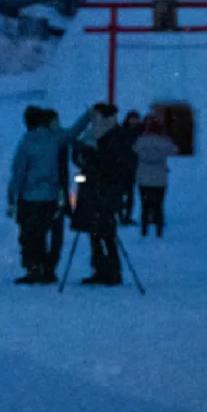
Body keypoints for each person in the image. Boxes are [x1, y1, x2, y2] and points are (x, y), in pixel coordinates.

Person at [8, 104, 92, 284]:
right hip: (51, 195)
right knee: (51, 233)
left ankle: (34, 268)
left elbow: (18, 173)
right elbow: (73, 133)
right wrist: (87, 116)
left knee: (31, 235)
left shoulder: (26, 143)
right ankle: (47, 268)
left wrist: (13, 198)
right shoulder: (54, 139)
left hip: (30, 196)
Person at [70, 104, 125, 285]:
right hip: (91, 190)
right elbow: (79, 156)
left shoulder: (115, 136)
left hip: (105, 191)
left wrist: (91, 157)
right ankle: (99, 269)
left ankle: (112, 270)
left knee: (107, 232)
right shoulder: (92, 134)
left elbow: (112, 164)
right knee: (94, 231)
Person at [41, 109, 72, 282]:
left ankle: (49, 266)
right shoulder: (50, 141)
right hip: (52, 189)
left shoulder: (60, 139)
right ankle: (46, 265)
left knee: (55, 231)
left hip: (59, 189)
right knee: (51, 231)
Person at [133, 116, 178, 237]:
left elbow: (134, 150)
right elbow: (174, 150)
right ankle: (159, 230)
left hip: (143, 177)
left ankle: (144, 230)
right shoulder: (163, 141)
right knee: (159, 205)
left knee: (144, 205)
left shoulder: (140, 141)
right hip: (160, 178)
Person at [117, 111, 143, 225]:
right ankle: (121, 216)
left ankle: (127, 216)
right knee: (120, 193)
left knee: (130, 194)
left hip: (133, 167)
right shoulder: (122, 132)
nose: (134, 122)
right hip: (122, 166)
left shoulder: (140, 132)